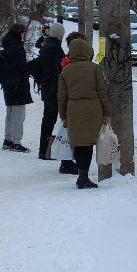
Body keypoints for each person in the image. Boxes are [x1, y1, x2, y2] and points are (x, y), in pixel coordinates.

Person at [58, 35, 111, 189]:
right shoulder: (94, 68)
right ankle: (84, 177)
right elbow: (102, 93)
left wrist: (63, 115)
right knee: (87, 144)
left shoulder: (66, 70)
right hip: (93, 110)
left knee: (78, 143)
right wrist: (107, 113)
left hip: (73, 110)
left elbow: (62, 96)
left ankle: (81, 175)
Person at [0, 22, 32, 153]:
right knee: (18, 114)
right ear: (19, 33)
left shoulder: (8, 44)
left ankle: (8, 139)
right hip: (18, 84)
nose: (24, 35)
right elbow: (21, 66)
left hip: (9, 84)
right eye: (23, 32)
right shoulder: (16, 47)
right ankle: (16, 142)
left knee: (10, 113)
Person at [57, 31, 84, 174]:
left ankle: (69, 161)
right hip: (72, 103)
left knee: (72, 132)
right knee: (71, 133)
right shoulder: (69, 62)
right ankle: (66, 162)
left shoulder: (68, 60)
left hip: (73, 102)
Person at [38, 21, 65, 159]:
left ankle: (44, 150)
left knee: (48, 119)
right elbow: (56, 70)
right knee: (51, 120)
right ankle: (46, 151)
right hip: (53, 89)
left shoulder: (47, 46)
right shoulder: (55, 48)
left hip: (47, 87)